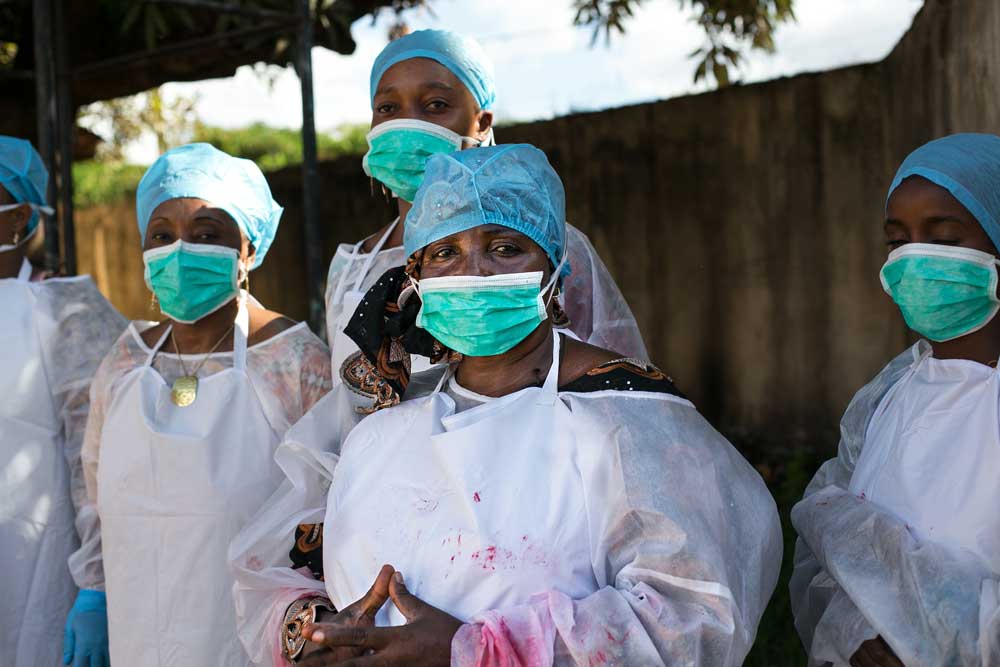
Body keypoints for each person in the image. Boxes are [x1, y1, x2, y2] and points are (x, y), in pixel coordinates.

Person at [232, 144, 782, 666]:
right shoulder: (380, 429)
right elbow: (278, 574)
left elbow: (695, 620)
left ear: (555, 269)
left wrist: (473, 652)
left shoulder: (626, 418)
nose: (473, 271)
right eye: (446, 252)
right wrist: (326, 634)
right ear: (415, 278)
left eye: (504, 248)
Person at [70, 143, 332, 666]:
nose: (180, 250)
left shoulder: (294, 360)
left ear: (249, 249)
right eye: (162, 235)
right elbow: (93, 492)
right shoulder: (125, 360)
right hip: (136, 627)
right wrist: (93, 589)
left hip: (252, 637)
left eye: (207, 234)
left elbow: (332, 508)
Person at [326, 29, 647, 406]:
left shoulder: (550, 248)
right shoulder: (352, 265)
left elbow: (615, 380)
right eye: (387, 108)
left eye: (435, 104)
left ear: (482, 121)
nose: (407, 124)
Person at [790, 133, 1000, 666]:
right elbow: (825, 558)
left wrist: (932, 646)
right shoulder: (885, 398)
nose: (913, 259)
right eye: (896, 241)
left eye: (944, 237)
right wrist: (856, 635)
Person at [0, 136, 125, 667]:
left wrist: (96, 585)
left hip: (39, 571)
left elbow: (97, 460)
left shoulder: (66, 312)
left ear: (20, 216)